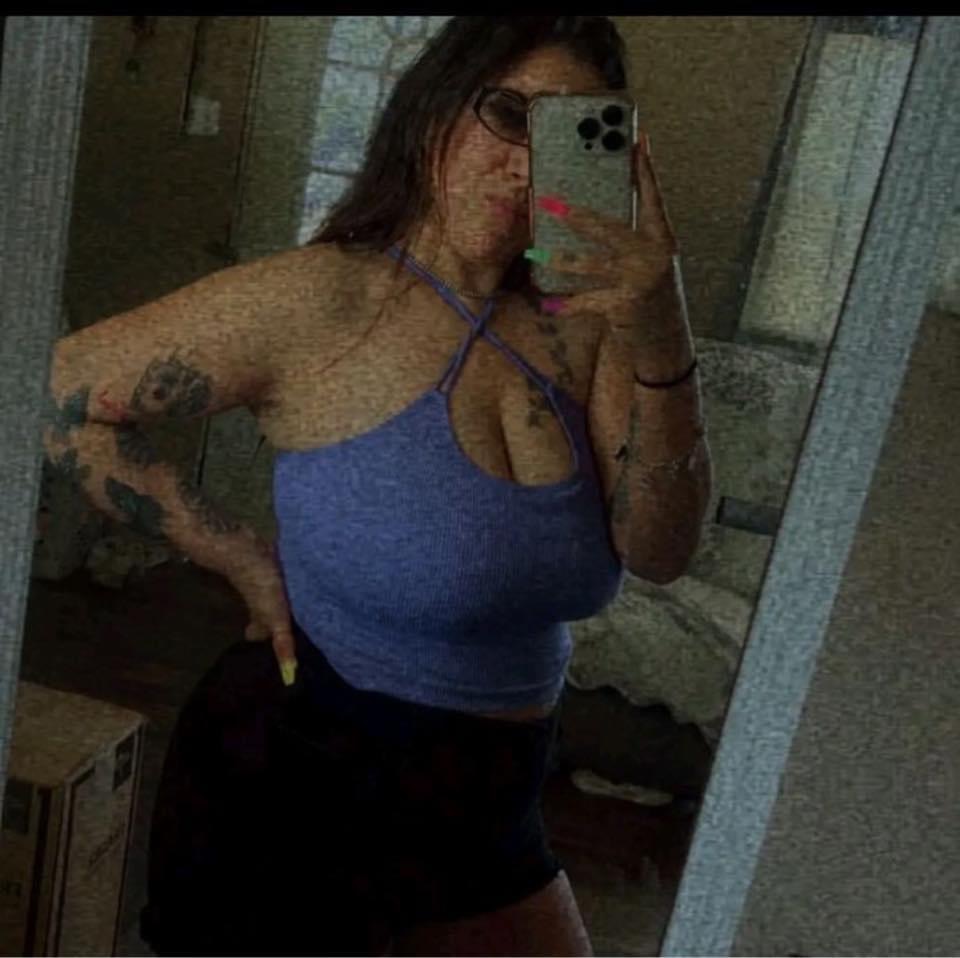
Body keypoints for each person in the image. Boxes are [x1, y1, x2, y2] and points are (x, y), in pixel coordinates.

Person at [42, 15, 711, 957]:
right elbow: (57, 390)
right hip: (301, 781)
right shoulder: (322, 299)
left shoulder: (589, 324)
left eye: (571, 132)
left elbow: (661, 551)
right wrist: (234, 554)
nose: (527, 165)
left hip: (492, 804)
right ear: (433, 109)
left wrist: (662, 331)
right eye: (509, 114)